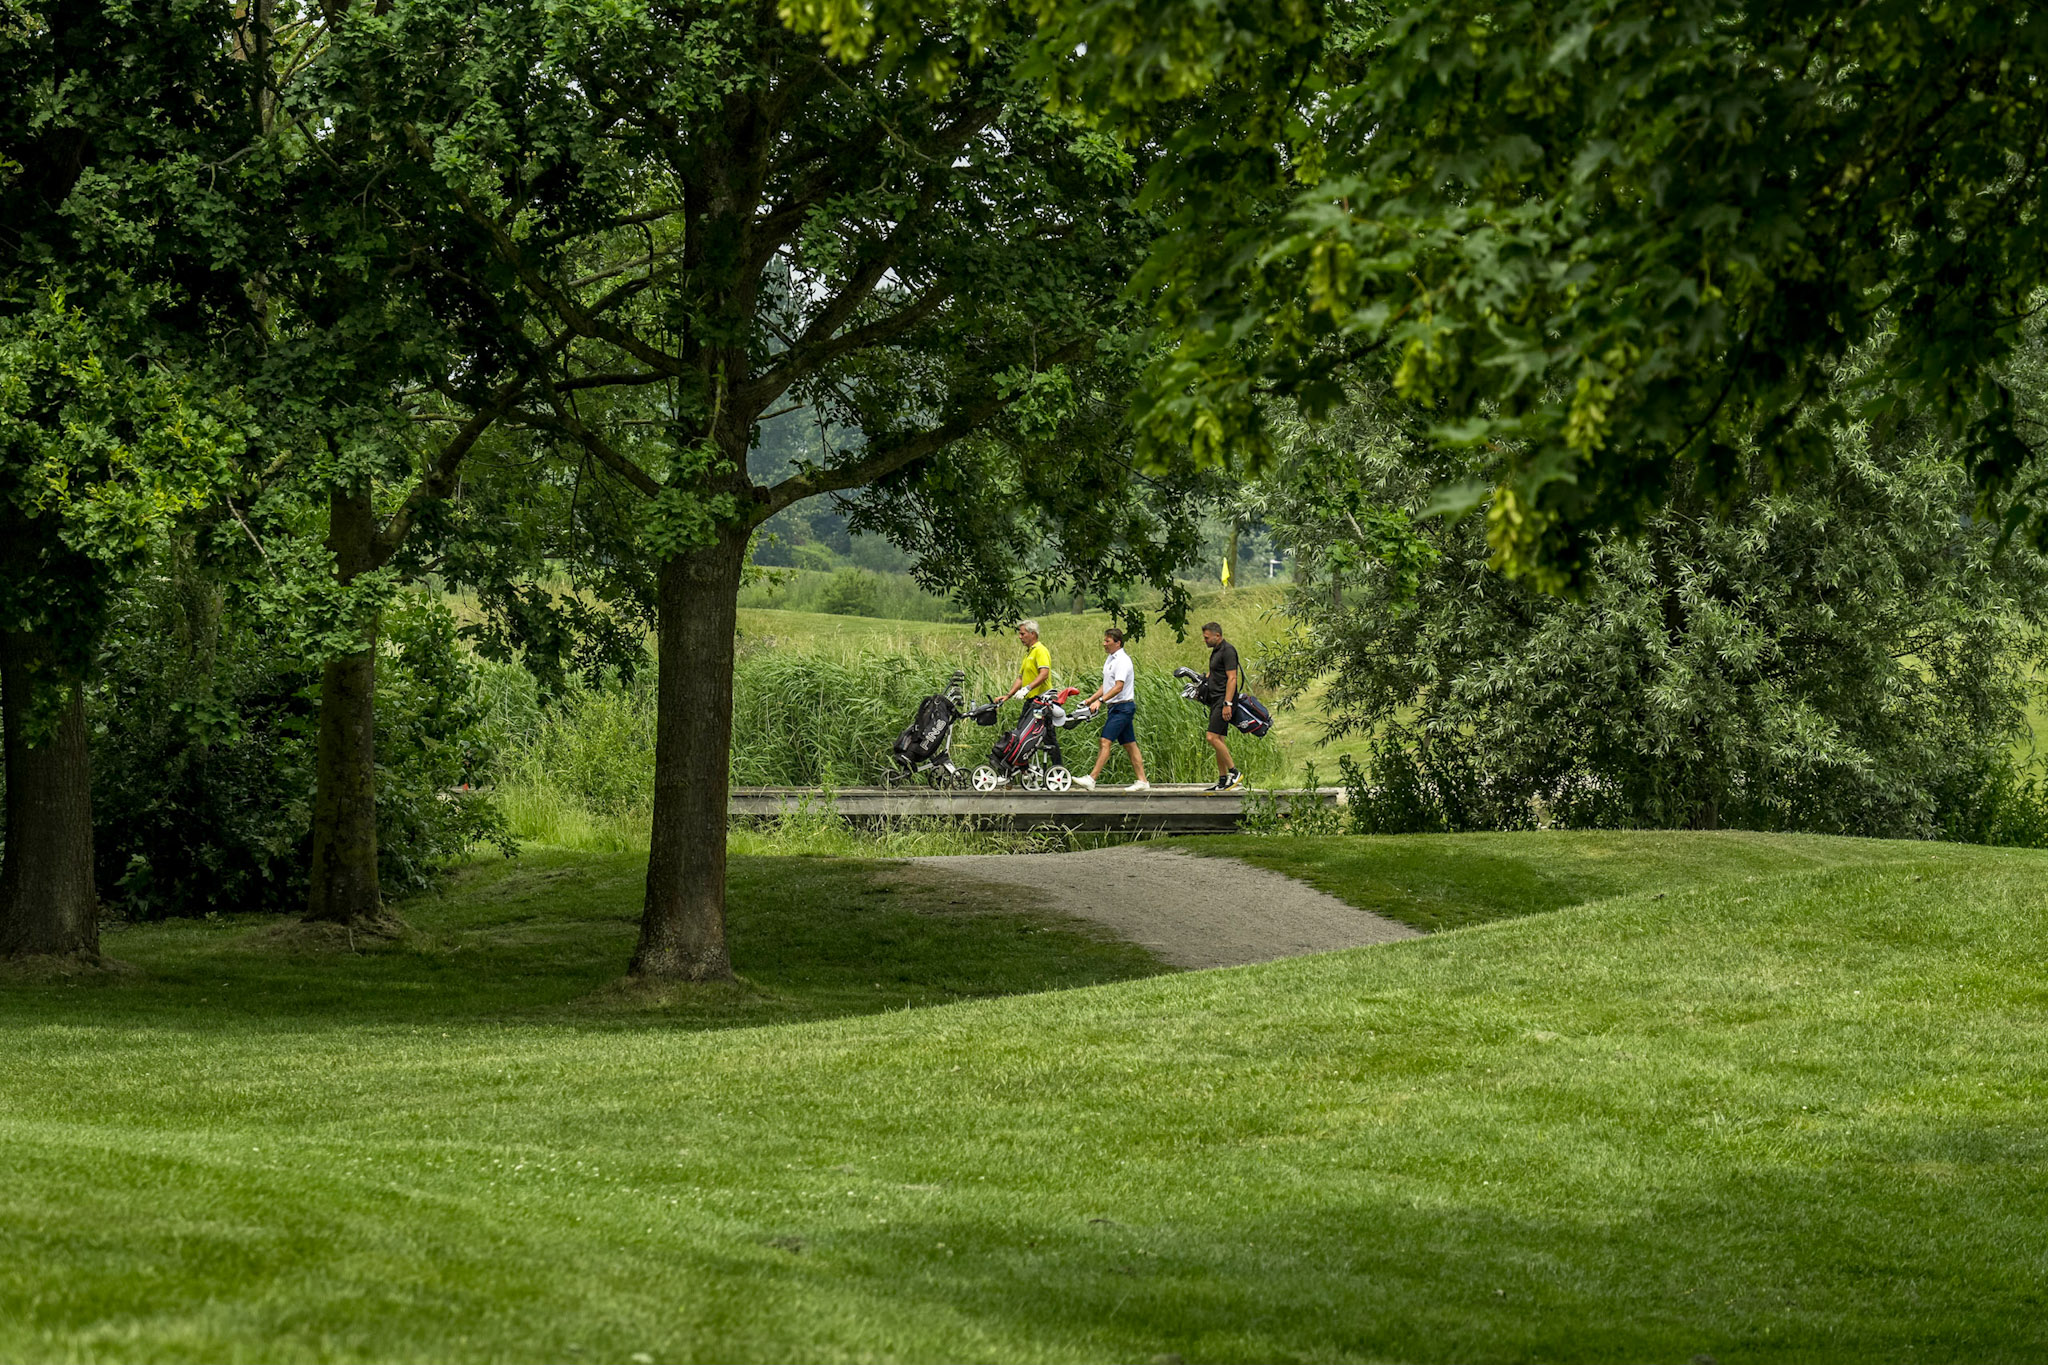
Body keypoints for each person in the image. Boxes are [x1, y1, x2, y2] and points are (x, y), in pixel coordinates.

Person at [1075, 627, 1149, 792]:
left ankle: (1091, 779)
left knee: (1105, 741)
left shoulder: (1122, 660)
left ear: (1118, 643)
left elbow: (1118, 687)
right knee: (1130, 745)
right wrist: (1091, 699)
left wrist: (1100, 701)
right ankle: (1143, 781)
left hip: (1123, 707)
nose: (1104, 644)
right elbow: (1107, 685)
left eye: (1107, 641)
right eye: (1104, 640)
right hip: (1116, 708)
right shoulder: (1110, 659)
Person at [1198, 621, 1242, 791]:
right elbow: (1214, 673)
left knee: (1211, 737)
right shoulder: (1216, 651)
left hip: (1224, 700)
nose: (1205, 640)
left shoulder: (1228, 650)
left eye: (1207, 637)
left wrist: (1228, 704)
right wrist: (1200, 683)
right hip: (1215, 699)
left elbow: (1232, 678)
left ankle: (1234, 772)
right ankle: (1223, 779)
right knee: (1219, 739)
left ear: (1217, 635)